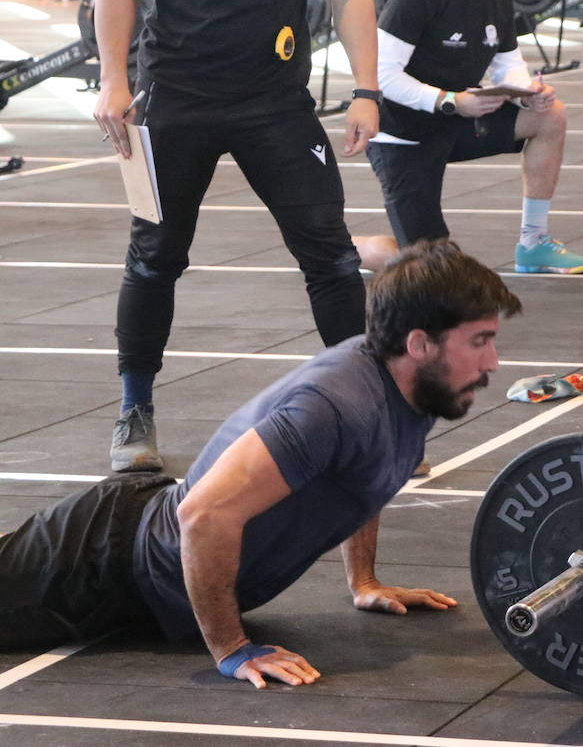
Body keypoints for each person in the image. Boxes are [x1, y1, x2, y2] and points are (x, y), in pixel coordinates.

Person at [0, 241, 521, 682]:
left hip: (140, 565)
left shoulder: (419, 388)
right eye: (479, 342)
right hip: (100, 561)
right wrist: (231, 649)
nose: (492, 362)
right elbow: (203, 517)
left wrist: (364, 581)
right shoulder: (333, 405)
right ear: (420, 345)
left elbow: (365, 475)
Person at [91, 0, 382, 474]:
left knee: (330, 255)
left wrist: (366, 88)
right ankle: (134, 409)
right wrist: (113, 78)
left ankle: (368, 409)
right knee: (154, 255)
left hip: (275, 98)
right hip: (177, 92)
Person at [366, 0, 583, 275]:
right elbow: (382, 76)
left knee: (550, 115)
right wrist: (450, 101)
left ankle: (534, 243)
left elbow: (507, 62)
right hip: (403, 135)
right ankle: (346, 250)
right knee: (433, 271)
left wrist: (528, 93)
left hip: (458, 117)